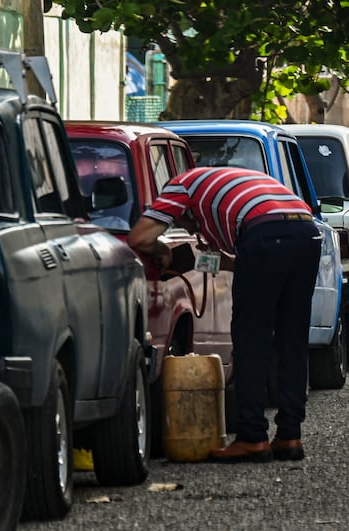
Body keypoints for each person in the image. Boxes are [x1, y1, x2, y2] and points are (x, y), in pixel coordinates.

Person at [127, 166, 322, 463]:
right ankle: (289, 436)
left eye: (188, 225)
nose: (193, 232)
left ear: (182, 209)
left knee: (250, 340)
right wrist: (199, 260)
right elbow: (247, 262)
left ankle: (252, 439)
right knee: (291, 339)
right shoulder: (231, 183)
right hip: (306, 232)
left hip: (264, 234)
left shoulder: (182, 185)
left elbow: (140, 238)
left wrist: (162, 251)